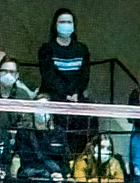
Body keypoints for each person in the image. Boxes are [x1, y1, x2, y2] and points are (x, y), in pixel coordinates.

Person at [36, 8, 95, 154]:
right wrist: (66, 94)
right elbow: (49, 76)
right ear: (55, 25)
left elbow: (84, 76)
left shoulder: (81, 49)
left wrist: (75, 93)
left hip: (76, 96)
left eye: (69, 22)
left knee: (88, 119)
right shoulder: (47, 49)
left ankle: (78, 156)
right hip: (54, 95)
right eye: (62, 22)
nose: (66, 25)